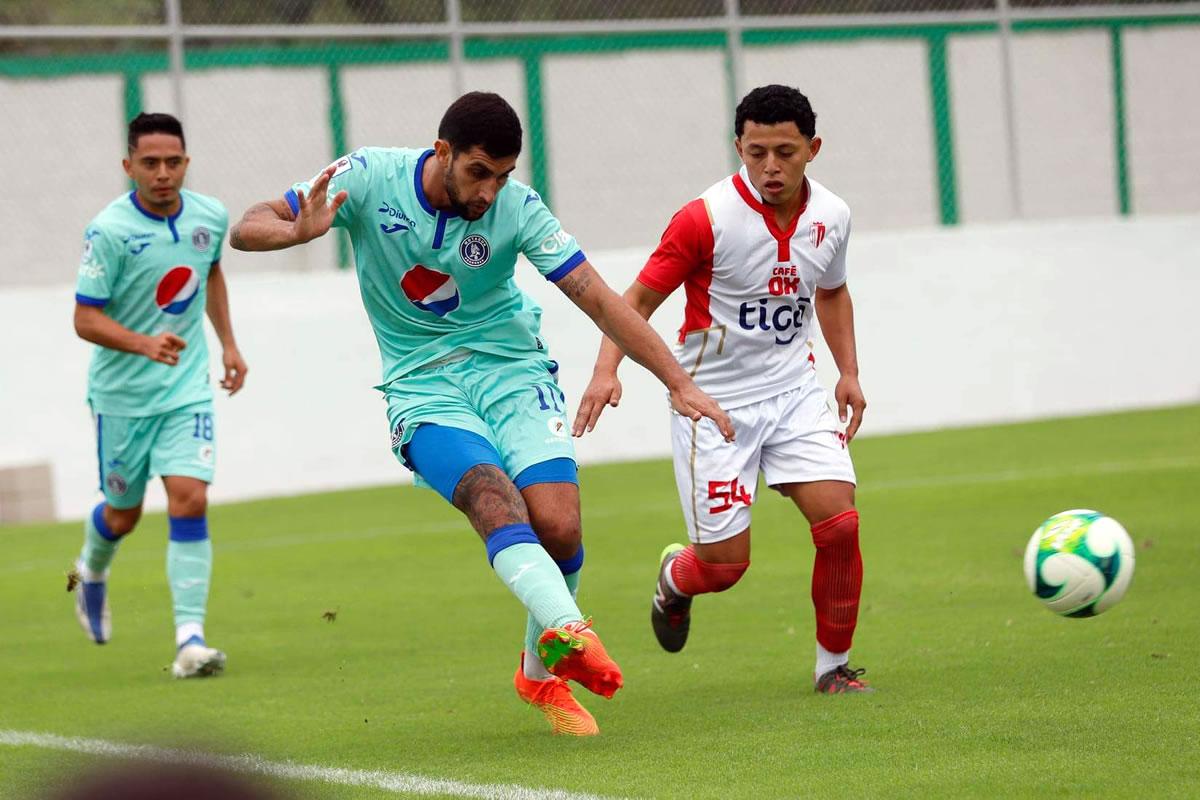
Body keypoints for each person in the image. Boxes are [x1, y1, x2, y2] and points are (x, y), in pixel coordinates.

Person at [228, 92, 733, 735]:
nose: (490, 191)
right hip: (422, 386)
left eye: (503, 175)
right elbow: (247, 226)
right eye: (478, 173)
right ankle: (570, 630)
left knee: (562, 529)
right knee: (490, 498)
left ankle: (537, 675)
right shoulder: (368, 176)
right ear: (442, 152)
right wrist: (295, 230)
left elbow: (603, 302)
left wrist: (676, 380)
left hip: (512, 373)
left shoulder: (519, 211)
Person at [576, 85, 872, 694]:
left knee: (840, 525)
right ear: (738, 145)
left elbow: (832, 291)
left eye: (785, 152)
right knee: (726, 567)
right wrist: (608, 370)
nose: (770, 166)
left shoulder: (832, 217)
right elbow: (632, 303)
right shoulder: (704, 219)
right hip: (710, 405)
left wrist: (848, 371)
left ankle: (832, 669)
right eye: (756, 151)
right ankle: (677, 580)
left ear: (813, 149)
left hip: (794, 392)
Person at [70, 112, 248, 679]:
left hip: (185, 391)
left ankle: (189, 640)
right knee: (122, 516)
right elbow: (84, 318)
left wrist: (228, 345)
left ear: (186, 163)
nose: (163, 173)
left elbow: (211, 272)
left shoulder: (210, 216)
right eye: (150, 163)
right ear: (129, 167)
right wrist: (145, 344)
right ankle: (91, 571)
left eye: (173, 162)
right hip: (121, 398)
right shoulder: (109, 231)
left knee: (190, 498)